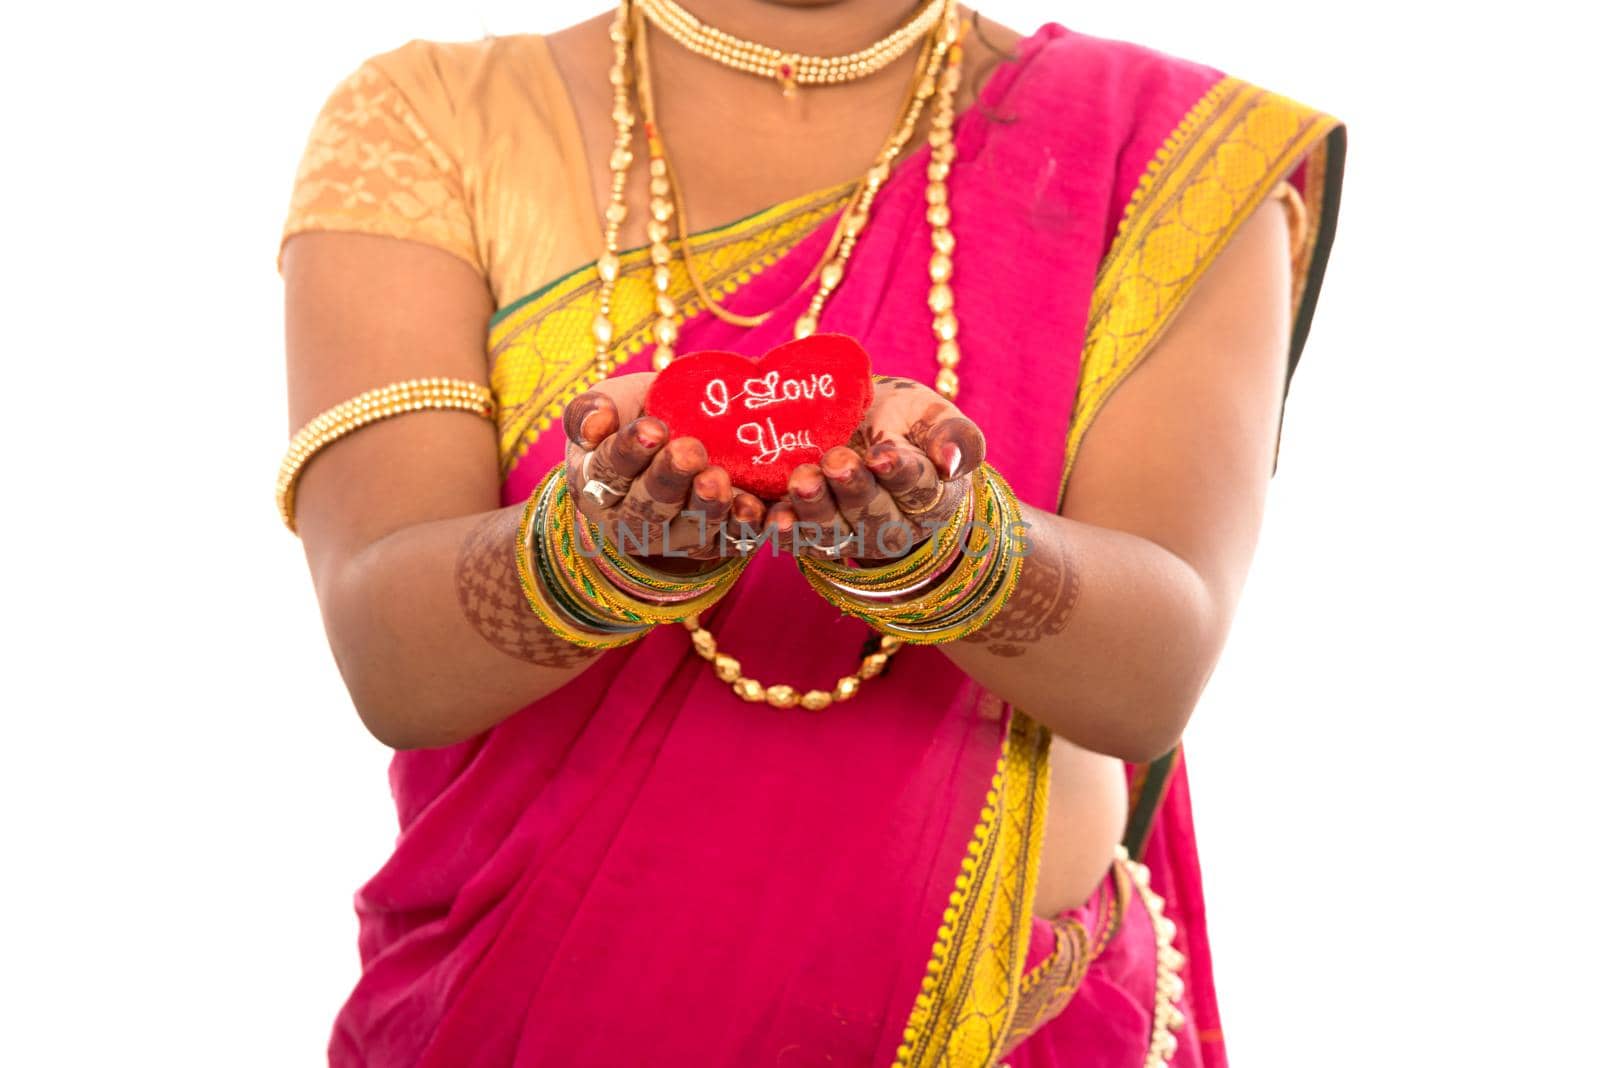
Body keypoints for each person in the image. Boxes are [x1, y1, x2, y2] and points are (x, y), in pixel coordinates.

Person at [276, 1, 1344, 1064]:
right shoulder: (424, 127)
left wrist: (950, 548)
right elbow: (391, 660)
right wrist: (603, 544)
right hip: (527, 1014)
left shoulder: (1162, 152)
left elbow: (1150, 679)